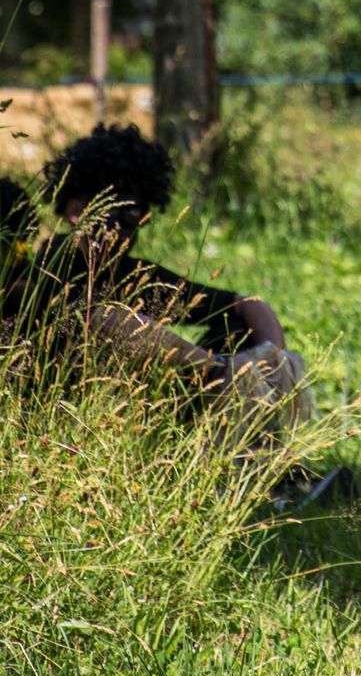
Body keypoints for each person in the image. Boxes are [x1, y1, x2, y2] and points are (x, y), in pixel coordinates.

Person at [38, 123, 314, 440]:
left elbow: (247, 305)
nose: (123, 234)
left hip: (137, 413)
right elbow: (105, 319)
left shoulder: (131, 273)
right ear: (76, 212)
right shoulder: (53, 263)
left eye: (133, 221)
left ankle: (253, 446)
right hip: (69, 421)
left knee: (238, 331)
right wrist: (216, 368)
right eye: (115, 217)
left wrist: (275, 363)